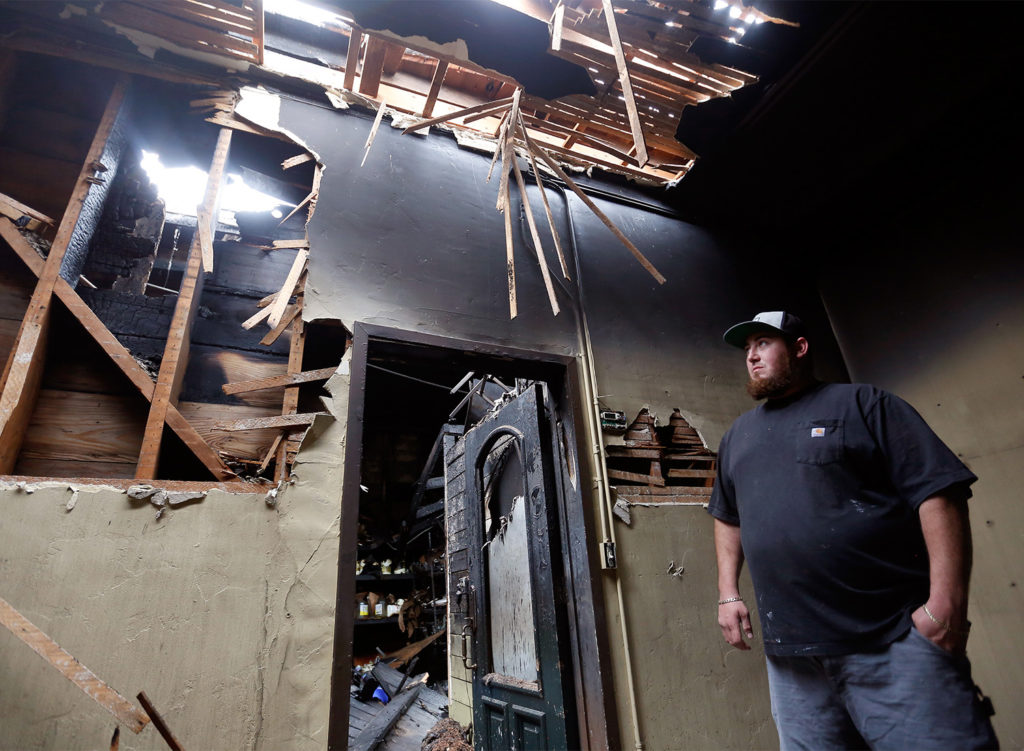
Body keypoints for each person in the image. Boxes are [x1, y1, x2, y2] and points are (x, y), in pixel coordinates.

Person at [708, 311, 998, 750]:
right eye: (747, 349)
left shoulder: (865, 405)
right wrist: (728, 592)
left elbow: (939, 492)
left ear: (799, 348)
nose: (751, 356)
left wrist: (947, 606)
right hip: (793, 660)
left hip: (889, 641)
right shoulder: (737, 437)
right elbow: (728, 516)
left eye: (763, 343)